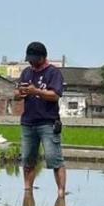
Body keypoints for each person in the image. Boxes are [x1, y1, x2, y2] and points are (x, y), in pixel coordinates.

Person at [15, 41, 66, 197]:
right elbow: (17, 94)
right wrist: (20, 94)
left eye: (34, 59)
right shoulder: (26, 73)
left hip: (48, 122)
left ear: (43, 57)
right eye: (29, 59)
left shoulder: (53, 73)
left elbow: (55, 95)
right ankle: (27, 190)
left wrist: (35, 90)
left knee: (54, 158)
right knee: (28, 159)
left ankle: (61, 193)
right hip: (28, 122)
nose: (31, 62)